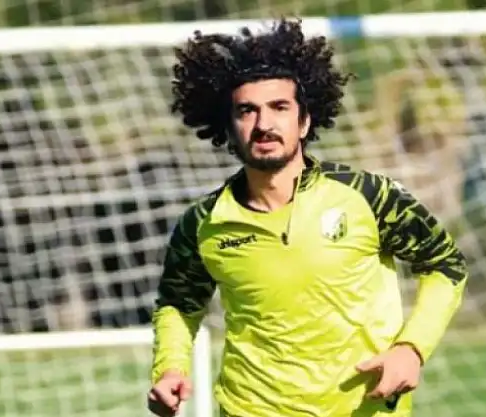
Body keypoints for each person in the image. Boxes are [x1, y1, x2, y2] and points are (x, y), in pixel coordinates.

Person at [147, 18, 469, 417]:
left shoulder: (368, 194)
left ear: (304, 121)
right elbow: (178, 305)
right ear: (228, 127)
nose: (264, 124)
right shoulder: (202, 223)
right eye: (247, 111)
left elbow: (445, 266)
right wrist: (170, 368)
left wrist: (411, 348)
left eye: (279, 107)